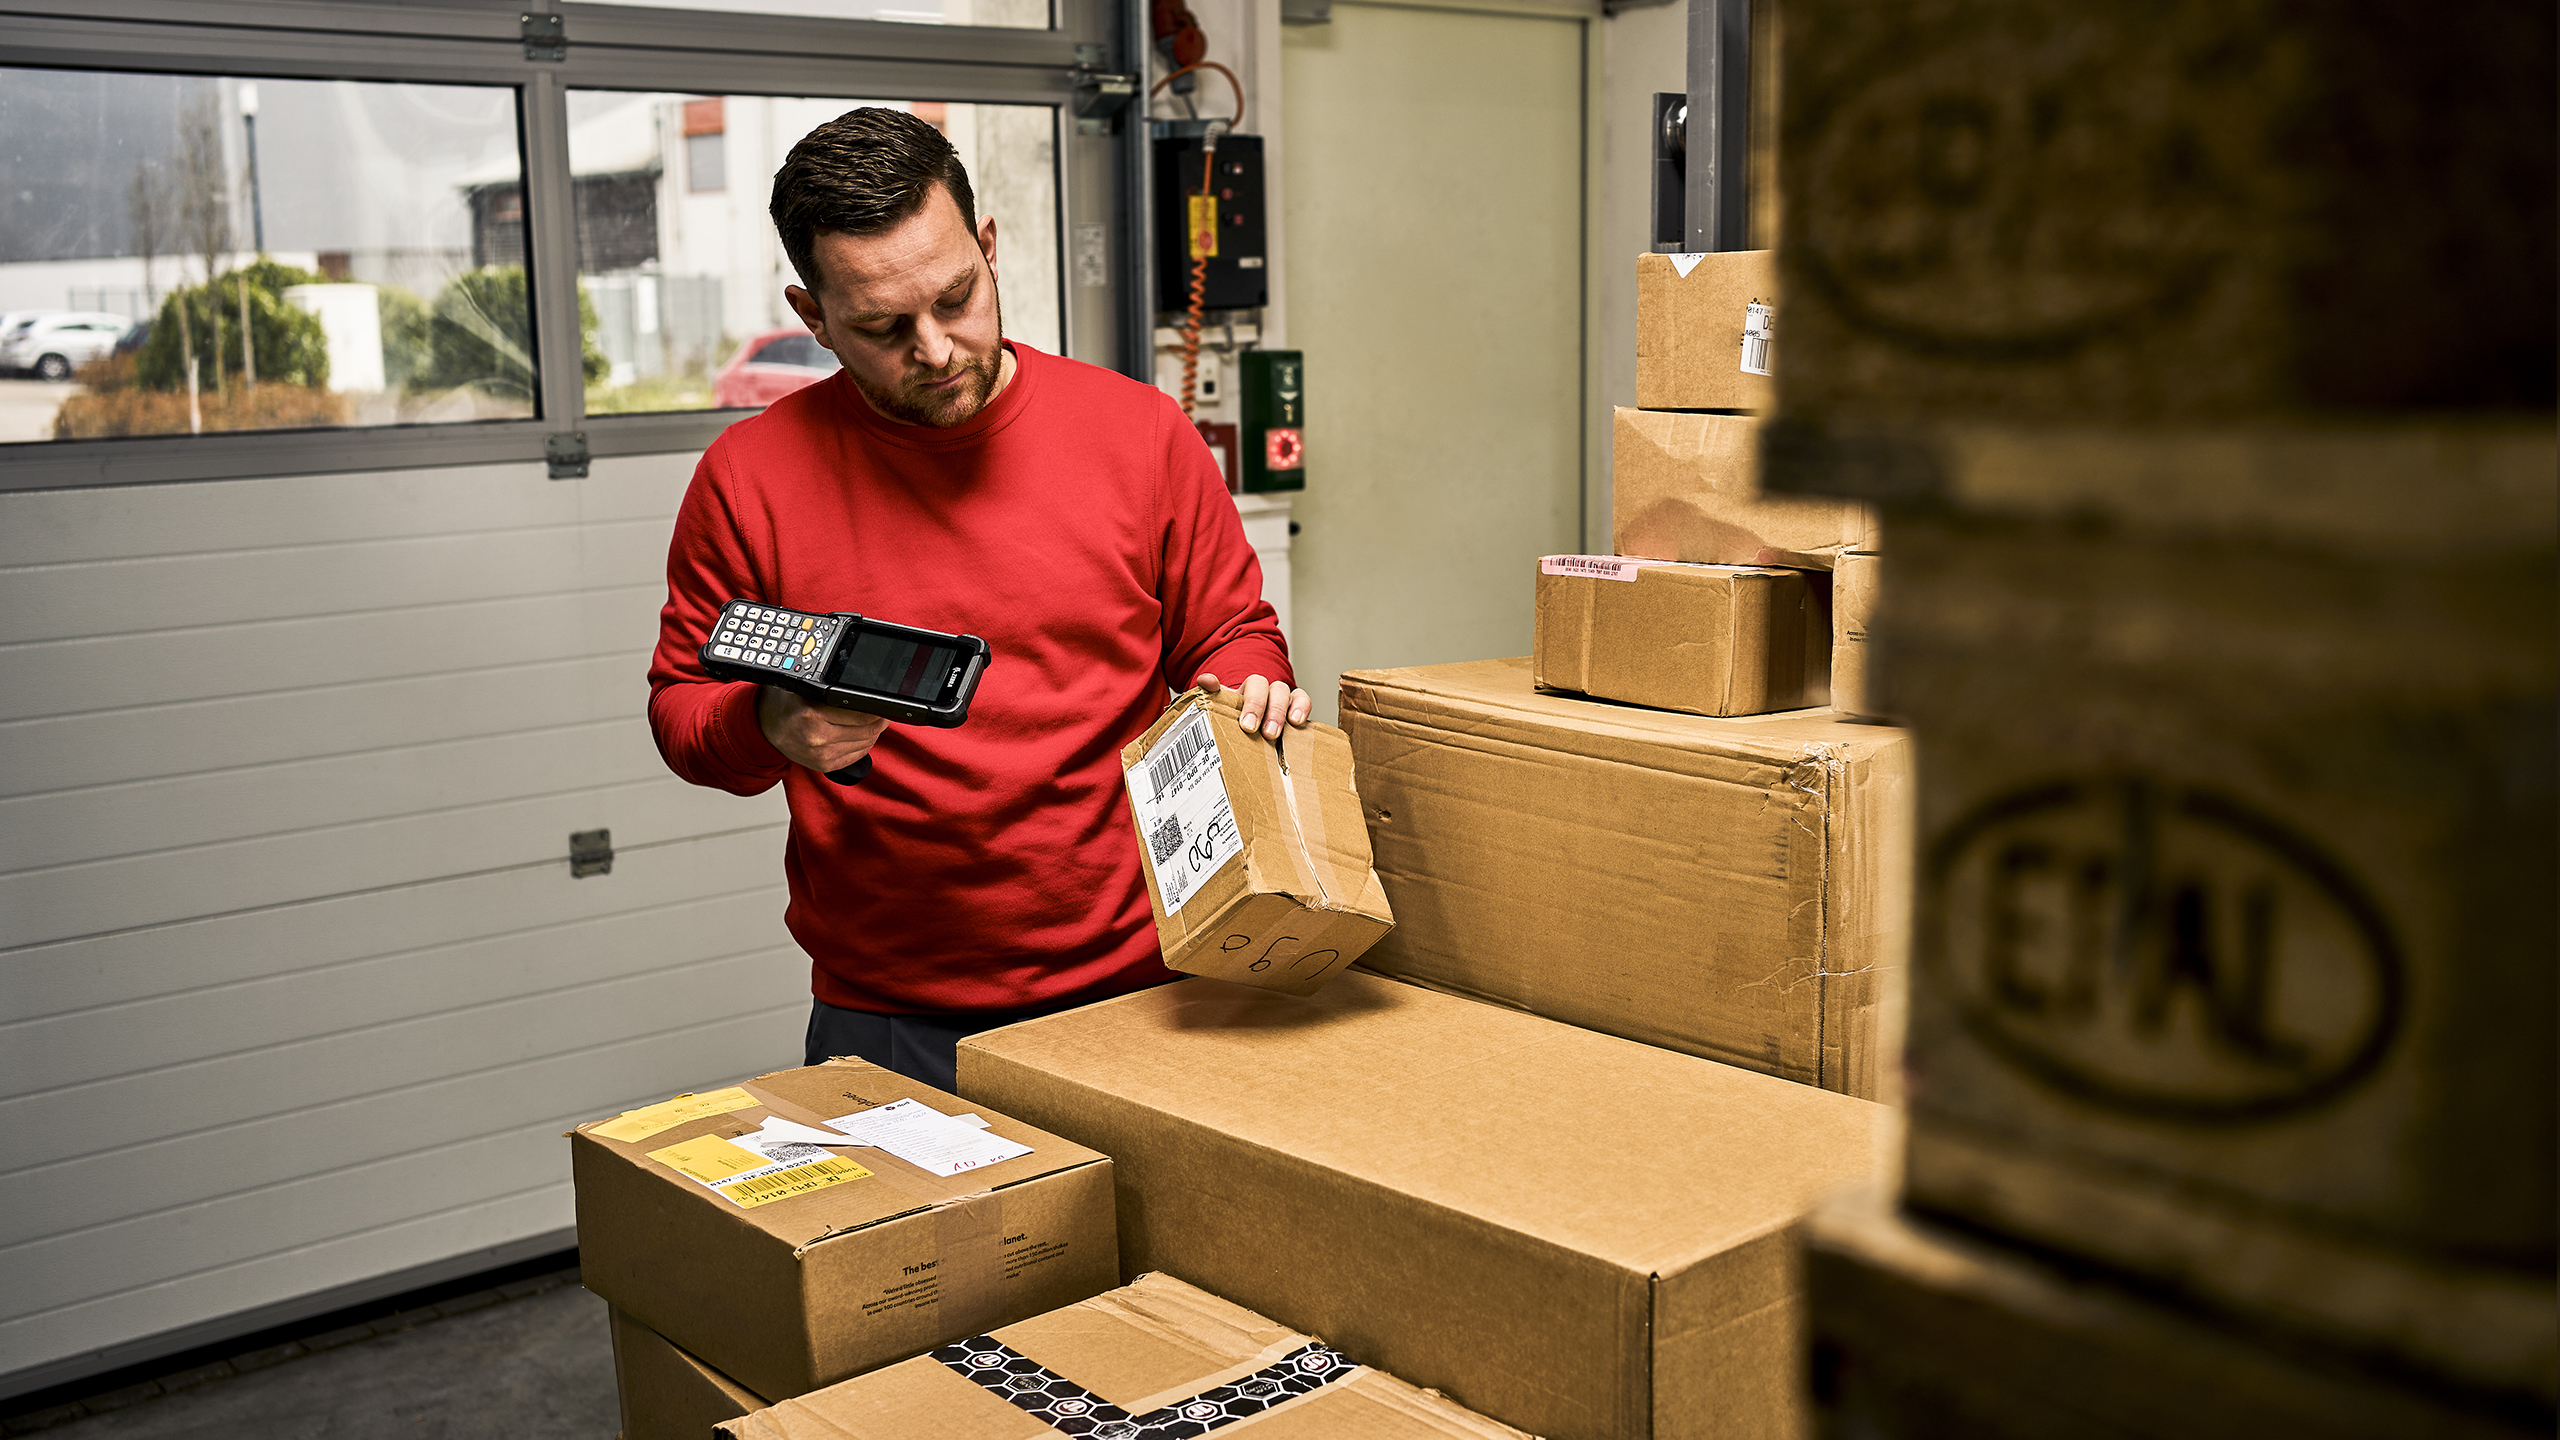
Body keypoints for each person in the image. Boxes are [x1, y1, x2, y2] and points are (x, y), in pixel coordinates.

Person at [647, 107, 1310, 1093]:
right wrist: (769, 726)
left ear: (988, 249)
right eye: (882, 328)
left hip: (1145, 986)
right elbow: (681, 713)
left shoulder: (1137, 434)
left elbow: (1229, 630)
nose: (938, 348)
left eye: (956, 298)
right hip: (886, 1016)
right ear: (814, 315)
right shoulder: (749, 479)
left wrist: (1247, 690)